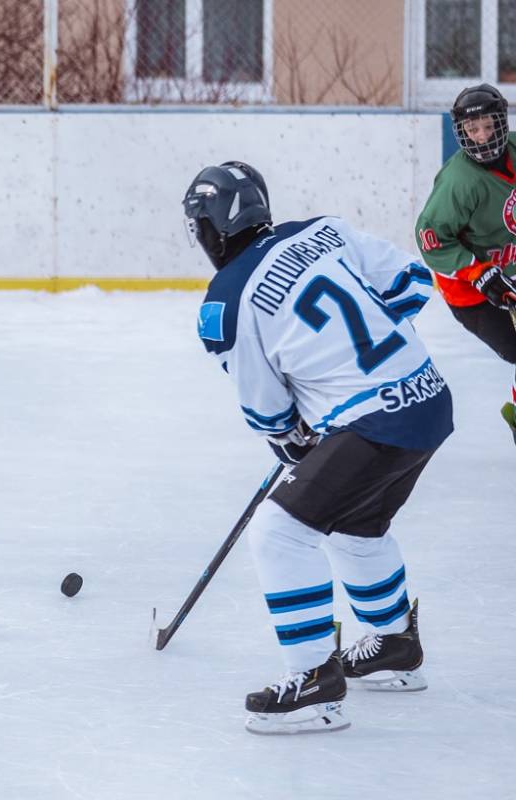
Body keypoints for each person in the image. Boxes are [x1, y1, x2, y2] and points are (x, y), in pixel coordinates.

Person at [183, 161, 452, 734]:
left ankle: (312, 683)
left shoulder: (225, 301)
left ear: (211, 228)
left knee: (280, 531)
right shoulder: (324, 229)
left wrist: (300, 432)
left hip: (373, 420)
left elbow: (269, 412)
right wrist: (363, 361)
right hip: (428, 397)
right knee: (358, 524)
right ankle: (396, 646)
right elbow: (411, 282)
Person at [415, 83, 516, 444]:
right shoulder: (459, 182)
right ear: (461, 133)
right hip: (468, 289)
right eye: (472, 130)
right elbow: (431, 240)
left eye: (489, 125)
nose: (483, 136)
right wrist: (477, 271)